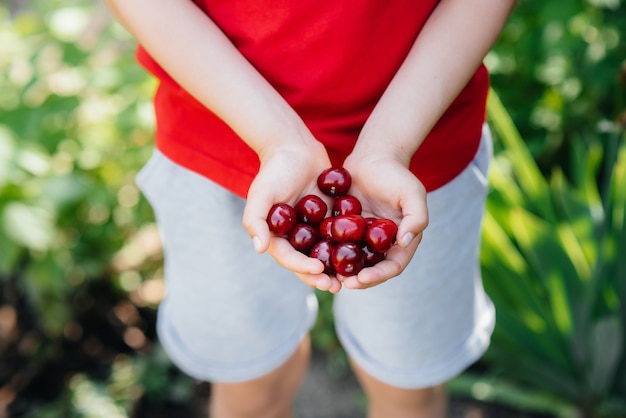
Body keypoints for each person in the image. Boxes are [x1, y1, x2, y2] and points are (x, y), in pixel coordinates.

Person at [103, 1, 516, 417]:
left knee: (410, 388)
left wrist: (391, 144)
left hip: (421, 147)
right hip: (216, 141)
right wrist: (277, 138)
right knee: (249, 385)